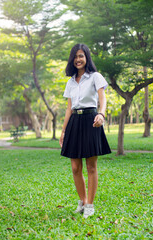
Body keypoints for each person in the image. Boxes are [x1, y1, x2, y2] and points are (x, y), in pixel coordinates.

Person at [60, 43, 111, 218]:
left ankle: (90, 204)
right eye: (75, 56)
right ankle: (82, 201)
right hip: (74, 122)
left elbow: (102, 98)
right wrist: (63, 130)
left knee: (91, 166)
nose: (78, 59)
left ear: (86, 57)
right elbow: (68, 108)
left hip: (91, 120)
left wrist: (101, 114)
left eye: (81, 56)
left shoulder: (95, 76)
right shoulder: (70, 82)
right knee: (75, 167)